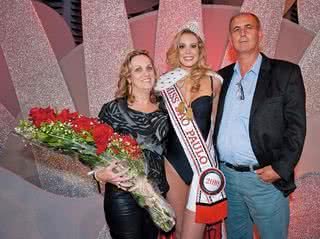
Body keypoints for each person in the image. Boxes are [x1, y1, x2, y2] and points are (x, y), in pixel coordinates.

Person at [213, 12, 306, 239]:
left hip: (263, 179)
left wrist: (280, 168)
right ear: (230, 38)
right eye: (236, 29)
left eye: (248, 27)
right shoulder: (219, 78)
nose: (242, 33)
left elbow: (296, 127)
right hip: (227, 178)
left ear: (260, 34)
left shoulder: (285, 73)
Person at [94, 49, 170, 239]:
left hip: (155, 197)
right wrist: (99, 173)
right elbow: (95, 149)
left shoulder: (167, 109)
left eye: (149, 68)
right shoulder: (113, 109)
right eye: (138, 69)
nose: (146, 73)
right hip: (123, 196)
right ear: (128, 78)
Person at [161, 26, 224, 239]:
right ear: (175, 51)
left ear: (200, 50)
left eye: (193, 46)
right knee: (178, 232)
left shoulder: (214, 81)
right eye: (182, 46)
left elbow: (216, 124)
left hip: (201, 164)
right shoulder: (163, 84)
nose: (188, 51)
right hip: (172, 165)